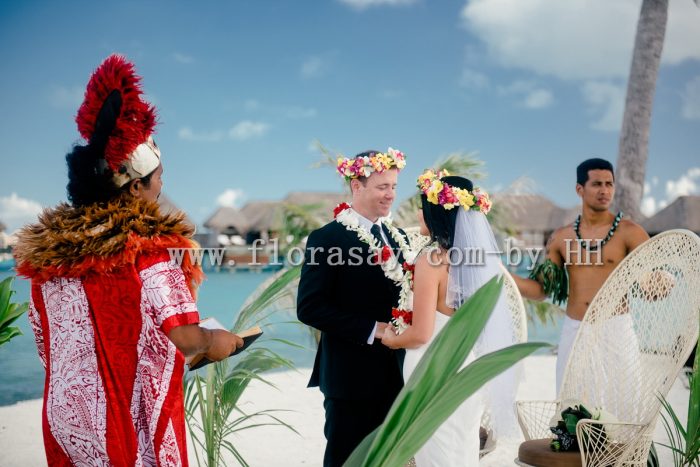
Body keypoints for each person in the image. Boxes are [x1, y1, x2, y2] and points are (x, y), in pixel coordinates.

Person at [13, 54, 243, 466]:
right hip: (124, 421)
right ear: (136, 187)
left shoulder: (45, 262)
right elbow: (188, 338)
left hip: (66, 416)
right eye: (159, 179)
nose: (161, 187)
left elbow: (47, 343)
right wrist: (218, 342)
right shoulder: (148, 252)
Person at [381, 169, 519, 466]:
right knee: (462, 450)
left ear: (436, 213)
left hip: (432, 371)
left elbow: (420, 334)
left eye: (423, 208)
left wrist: (391, 339)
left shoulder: (431, 261)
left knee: (437, 455)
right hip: (465, 370)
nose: (419, 215)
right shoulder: (476, 261)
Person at [297, 148, 411, 467]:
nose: (390, 195)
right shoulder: (326, 238)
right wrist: (373, 329)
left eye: (393, 186)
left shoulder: (398, 237)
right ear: (356, 187)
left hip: (399, 374)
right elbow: (309, 308)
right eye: (382, 187)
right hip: (350, 379)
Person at [511, 158, 649, 392]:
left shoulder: (630, 233)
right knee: (571, 405)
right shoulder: (562, 237)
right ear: (579, 189)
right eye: (597, 184)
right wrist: (505, 277)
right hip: (575, 330)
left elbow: (652, 283)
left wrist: (660, 285)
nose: (605, 190)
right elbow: (542, 290)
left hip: (616, 329)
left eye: (609, 184)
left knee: (624, 404)